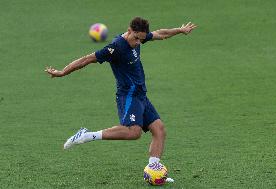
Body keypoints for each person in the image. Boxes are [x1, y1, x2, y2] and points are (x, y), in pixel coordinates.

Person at [45, 17, 197, 165]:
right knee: (133, 132)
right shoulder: (116, 47)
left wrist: (180, 30)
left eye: (141, 40)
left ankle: (153, 170)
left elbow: (160, 34)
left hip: (141, 95)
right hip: (128, 94)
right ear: (129, 30)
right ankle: (86, 136)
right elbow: (86, 59)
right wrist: (62, 72)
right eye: (136, 38)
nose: (138, 42)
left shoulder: (139, 37)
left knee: (159, 130)